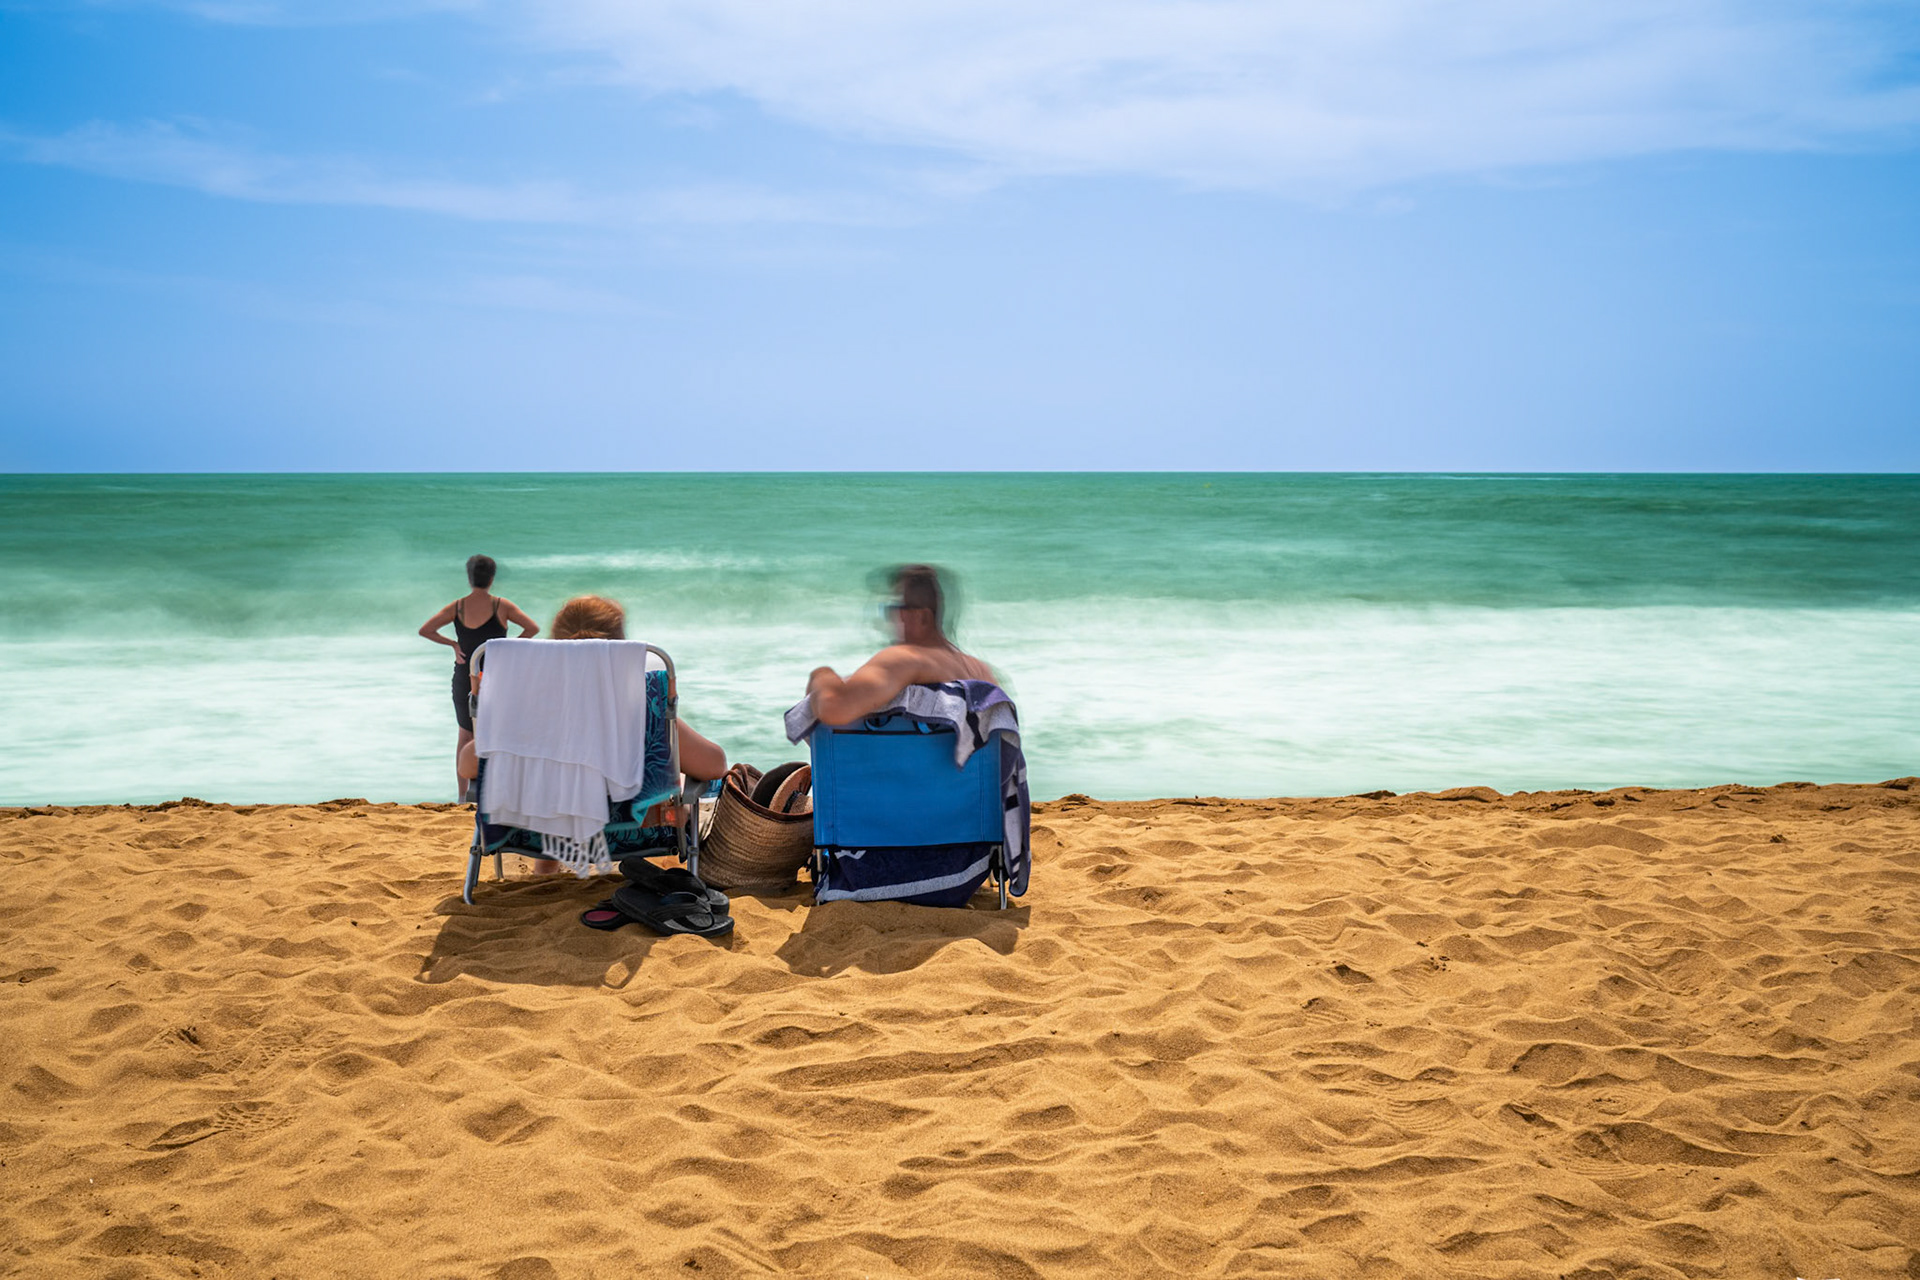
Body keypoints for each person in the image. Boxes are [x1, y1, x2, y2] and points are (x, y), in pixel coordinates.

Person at [459, 594, 727, 874]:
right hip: (635, 832)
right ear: (621, 647)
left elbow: (467, 766)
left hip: (536, 835)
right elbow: (715, 765)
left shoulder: (527, 706)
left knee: (550, 772)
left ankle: (544, 870)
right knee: (667, 767)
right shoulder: (641, 702)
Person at [806, 564, 997, 726]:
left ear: (921, 616)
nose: (889, 619)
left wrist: (821, 675)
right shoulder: (981, 671)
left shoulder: (908, 658)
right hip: (960, 769)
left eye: (895, 609)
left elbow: (835, 708)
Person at [418, 555, 539, 796]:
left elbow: (426, 630)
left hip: (465, 675)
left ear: (469, 578)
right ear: (492, 578)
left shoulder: (458, 606)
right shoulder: (501, 606)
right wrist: (508, 650)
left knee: (465, 734)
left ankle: (462, 794)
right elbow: (532, 628)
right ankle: (499, 788)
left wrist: (453, 644)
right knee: (499, 730)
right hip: (497, 676)